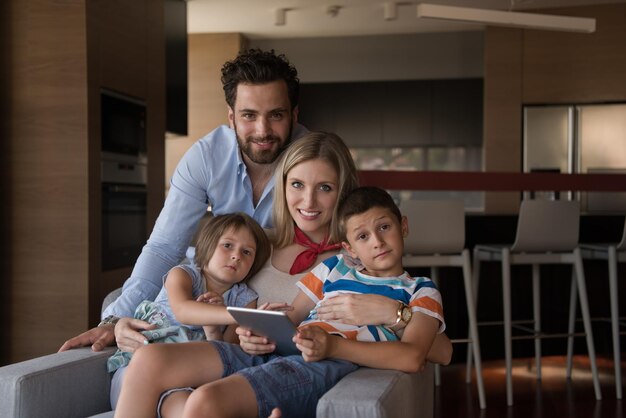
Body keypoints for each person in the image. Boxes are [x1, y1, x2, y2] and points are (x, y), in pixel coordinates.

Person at [113, 147, 452, 418]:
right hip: (277, 350)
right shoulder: (299, 255)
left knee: (204, 402)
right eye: (297, 185)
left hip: (321, 361)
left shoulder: (414, 288)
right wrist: (254, 329)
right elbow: (289, 318)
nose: (376, 242)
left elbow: (430, 353)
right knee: (148, 361)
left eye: (325, 188)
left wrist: (391, 313)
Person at [59, 48, 306, 354]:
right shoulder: (206, 157)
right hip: (213, 292)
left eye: (276, 115)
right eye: (248, 115)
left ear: (294, 116)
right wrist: (113, 319)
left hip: (274, 297)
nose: (263, 130)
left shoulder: (314, 161)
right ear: (231, 117)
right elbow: (165, 246)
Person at [106, 213, 270, 388]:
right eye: (227, 245)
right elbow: (183, 311)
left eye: (247, 252)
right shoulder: (184, 274)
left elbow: (226, 354)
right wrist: (245, 317)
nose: (237, 256)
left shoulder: (245, 299)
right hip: (140, 361)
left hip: (190, 372)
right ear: (207, 245)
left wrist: (213, 328)